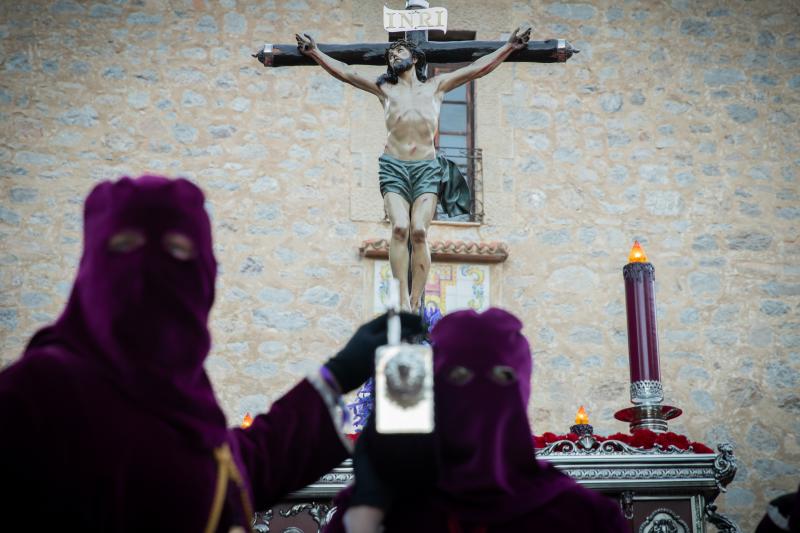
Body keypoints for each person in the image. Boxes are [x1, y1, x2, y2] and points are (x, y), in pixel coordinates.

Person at [0, 175, 424, 532]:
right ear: (90, 269)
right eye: (125, 247)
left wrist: (338, 373)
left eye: (178, 252)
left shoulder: (183, 396)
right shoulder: (33, 396)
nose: (150, 273)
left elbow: (232, 473)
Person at [324, 308, 628, 533]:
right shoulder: (380, 508)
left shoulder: (581, 516)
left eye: (502, 376)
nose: (480, 391)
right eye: (459, 377)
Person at [295, 27, 531, 313]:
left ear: (416, 58)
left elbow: (476, 69)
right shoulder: (385, 89)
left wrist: (508, 47)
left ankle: (417, 298)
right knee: (399, 227)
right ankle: (402, 300)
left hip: (427, 169)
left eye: (399, 51)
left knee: (419, 231)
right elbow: (347, 72)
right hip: (393, 167)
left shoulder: (437, 86)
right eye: (391, 54)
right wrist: (316, 53)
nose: (394, 55)